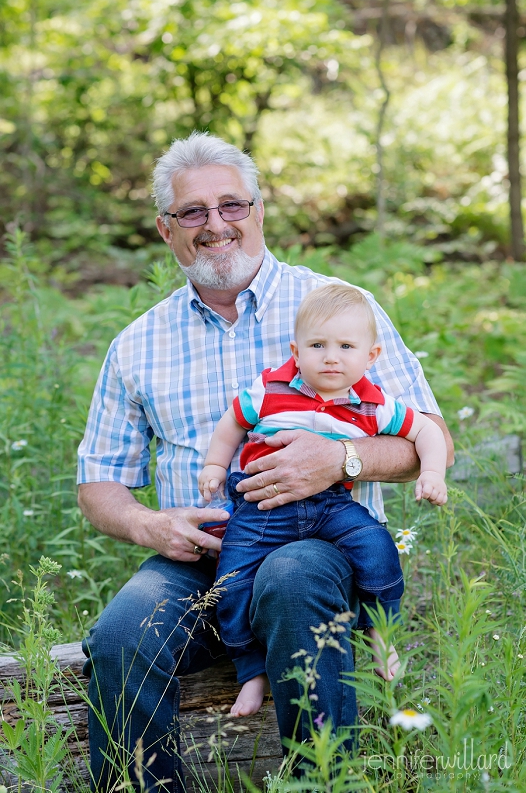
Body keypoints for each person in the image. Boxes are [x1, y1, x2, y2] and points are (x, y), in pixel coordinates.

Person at [77, 131, 454, 792]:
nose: (215, 224)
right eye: (193, 212)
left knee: (292, 577)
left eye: (231, 204)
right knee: (119, 636)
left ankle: (325, 782)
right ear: (167, 230)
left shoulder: (339, 308)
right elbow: (98, 482)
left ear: (258, 211)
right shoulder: (137, 345)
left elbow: (430, 438)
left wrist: (342, 459)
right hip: (198, 560)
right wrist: (148, 526)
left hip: (316, 545)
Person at [199, 284, 448, 716]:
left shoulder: (372, 402)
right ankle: (250, 672)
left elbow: (426, 431)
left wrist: (432, 473)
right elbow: (231, 424)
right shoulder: (270, 389)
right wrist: (215, 469)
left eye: (346, 346)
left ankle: (379, 632)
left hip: (332, 505)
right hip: (262, 507)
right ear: (297, 351)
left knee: (376, 545)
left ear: (371, 356)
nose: (331, 357)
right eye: (318, 345)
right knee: (232, 579)